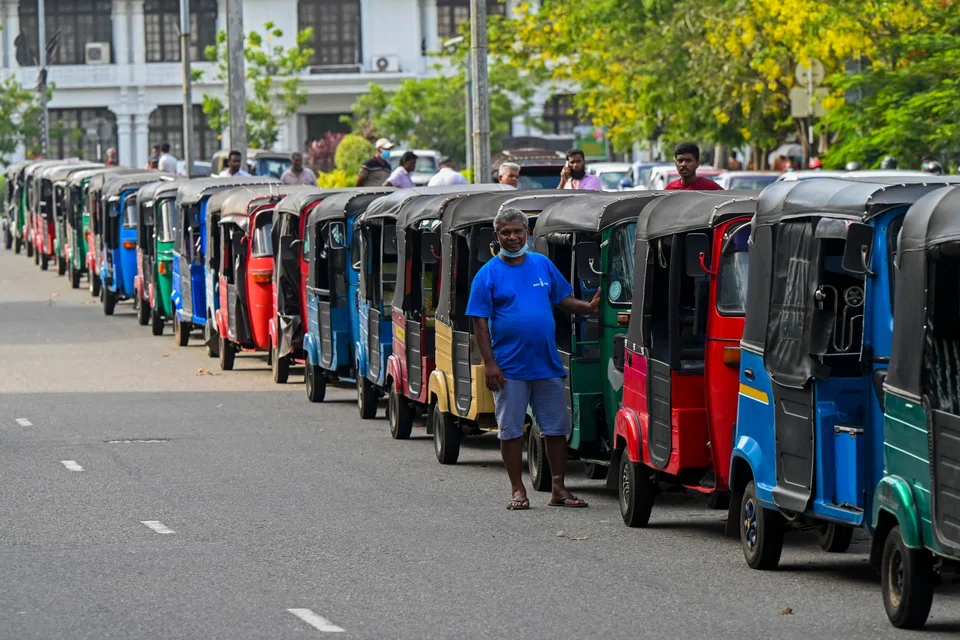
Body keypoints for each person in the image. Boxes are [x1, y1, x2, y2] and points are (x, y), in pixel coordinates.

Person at [467, 207, 600, 511]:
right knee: (511, 430)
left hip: (546, 363)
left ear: (527, 233)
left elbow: (563, 299)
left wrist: (589, 308)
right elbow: (480, 323)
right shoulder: (487, 275)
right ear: (496, 236)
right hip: (508, 368)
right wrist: (490, 364)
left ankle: (559, 488)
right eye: (506, 233)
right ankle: (518, 490)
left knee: (556, 428)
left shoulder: (542, 264)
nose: (512, 237)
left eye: (518, 231)